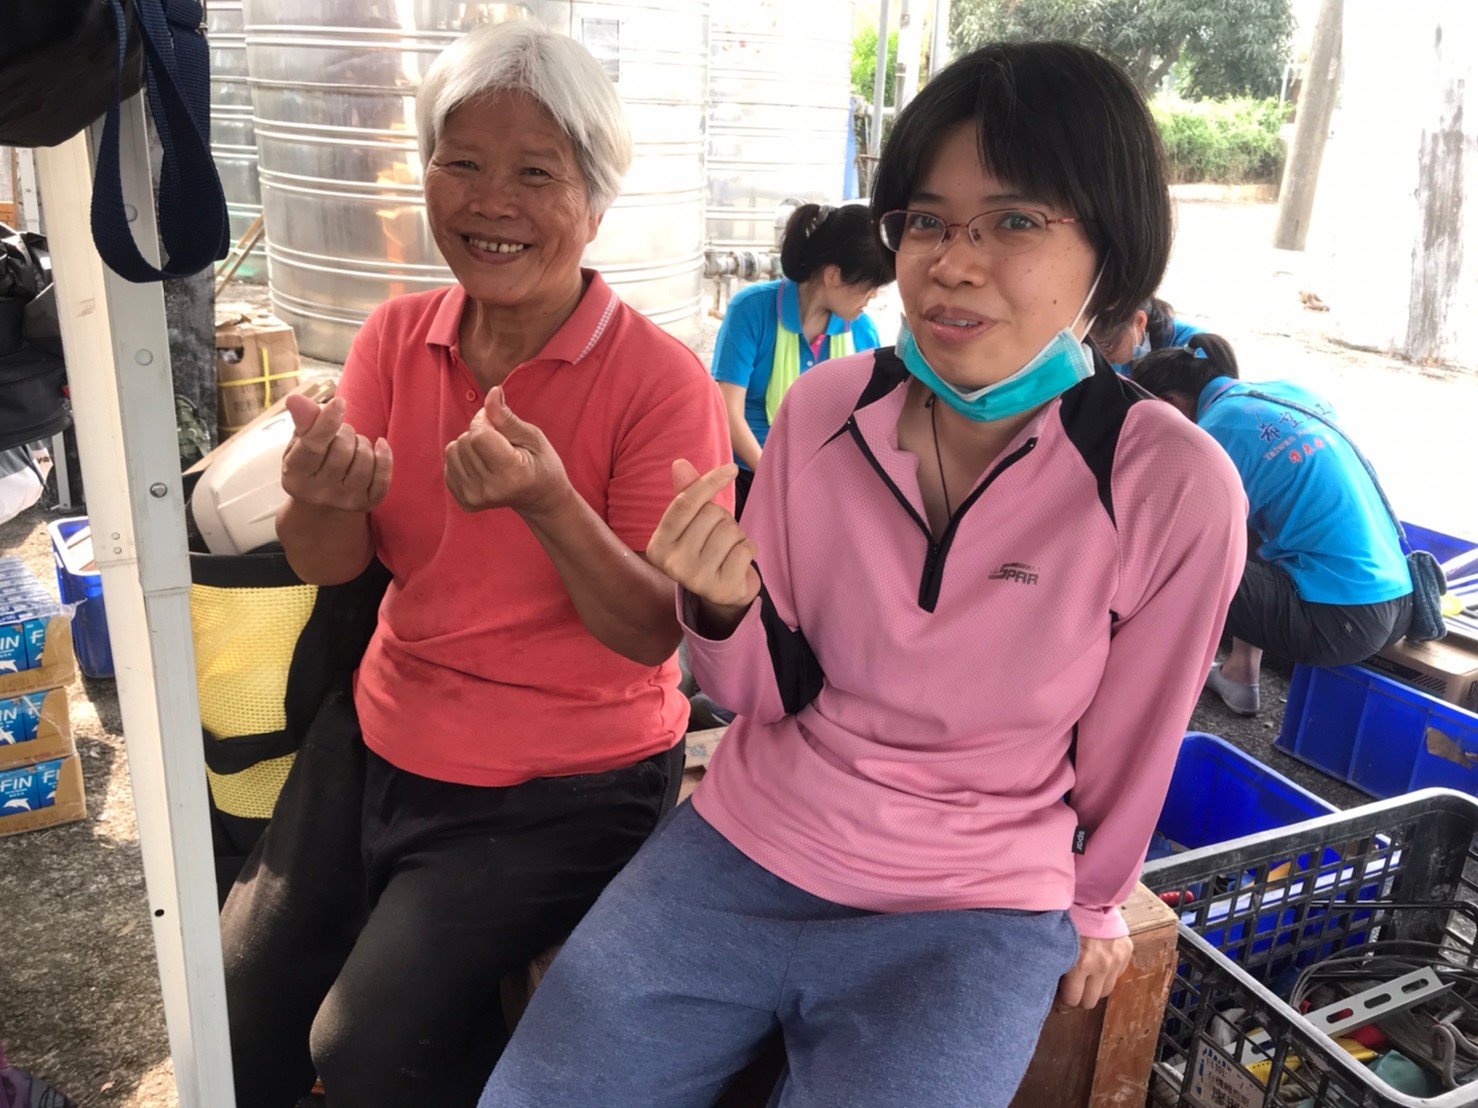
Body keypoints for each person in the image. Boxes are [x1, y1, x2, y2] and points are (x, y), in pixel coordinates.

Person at [481, 41, 1246, 1108]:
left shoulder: (1168, 483)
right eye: (927, 220)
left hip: (972, 908)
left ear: (1109, 248)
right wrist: (718, 605)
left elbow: (1136, 738)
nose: (953, 263)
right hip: (745, 846)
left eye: (1013, 222)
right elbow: (763, 690)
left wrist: (1095, 899)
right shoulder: (822, 412)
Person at [218, 21, 731, 1108]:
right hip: (382, 731)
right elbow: (332, 562)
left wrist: (548, 502)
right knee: (236, 1001)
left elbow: (653, 634)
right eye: (461, 163)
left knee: (363, 1050)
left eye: (535, 173)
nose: (490, 202)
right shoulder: (395, 336)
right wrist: (321, 494)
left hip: (565, 781)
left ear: (594, 203)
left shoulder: (660, 381)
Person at [1132, 333, 1414, 715]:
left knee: (1171, 555)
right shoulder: (1284, 392)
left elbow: (1159, 525)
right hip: (1396, 599)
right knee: (1244, 521)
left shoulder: (1214, 430)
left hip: (1338, 619)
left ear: (1167, 405)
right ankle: (1240, 674)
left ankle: (1147, 697)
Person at [712, 202, 890, 516]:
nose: (873, 295)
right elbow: (727, 412)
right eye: (869, 285)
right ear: (833, 275)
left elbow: (869, 424)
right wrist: (775, 483)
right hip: (748, 476)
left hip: (821, 483)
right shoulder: (751, 310)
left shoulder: (862, 332)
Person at [1090, 295, 1202, 374]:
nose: (1102, 356)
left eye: (1107, 346)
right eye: (1096, 347)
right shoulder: (1117, 355)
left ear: (1139, 321)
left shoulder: (1196, 346)